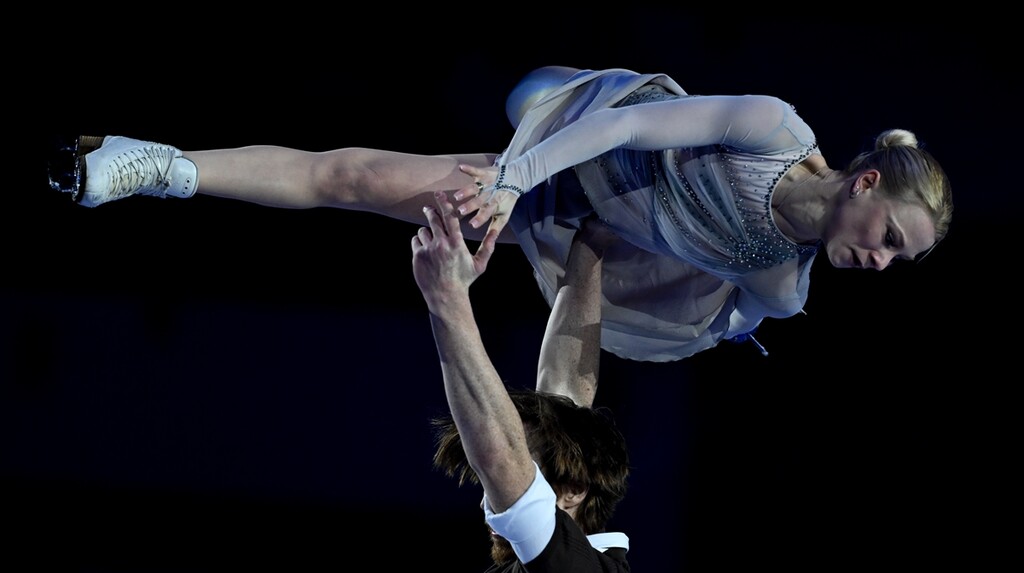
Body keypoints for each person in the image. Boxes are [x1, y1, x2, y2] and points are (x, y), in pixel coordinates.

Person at [49, 65, 954, 362]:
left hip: (568, 219)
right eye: (890, 238)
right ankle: (157, 159)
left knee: (357, 181)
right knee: (514, 96)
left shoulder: (783, 289)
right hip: (576, 135)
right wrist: (515, 179)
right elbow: (625, 125)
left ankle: (155, 167)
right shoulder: (773, 130)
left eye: (899, 261)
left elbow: (702, 315)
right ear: (865, 183)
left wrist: (607, 280)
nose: (881, 262)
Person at [412, 190, 647, 573]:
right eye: (527, 473)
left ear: (573, 492)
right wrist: (593, 239)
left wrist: (447, 299)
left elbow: (500, 458)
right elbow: (564, 397)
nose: (490, 498)